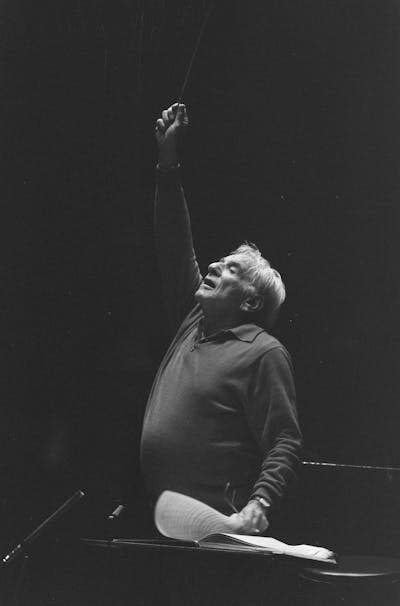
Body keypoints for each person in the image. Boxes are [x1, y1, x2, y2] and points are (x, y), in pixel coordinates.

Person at [140, 102, 302, 534]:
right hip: (160, 521)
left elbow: (285, 438)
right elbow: (175, 240)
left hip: (215, 531)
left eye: (231, 269)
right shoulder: (193, 321)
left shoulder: (264, 353)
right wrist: (167, 162)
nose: (213, 266)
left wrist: (261, 500)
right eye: (220, 262)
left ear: (250, 303)